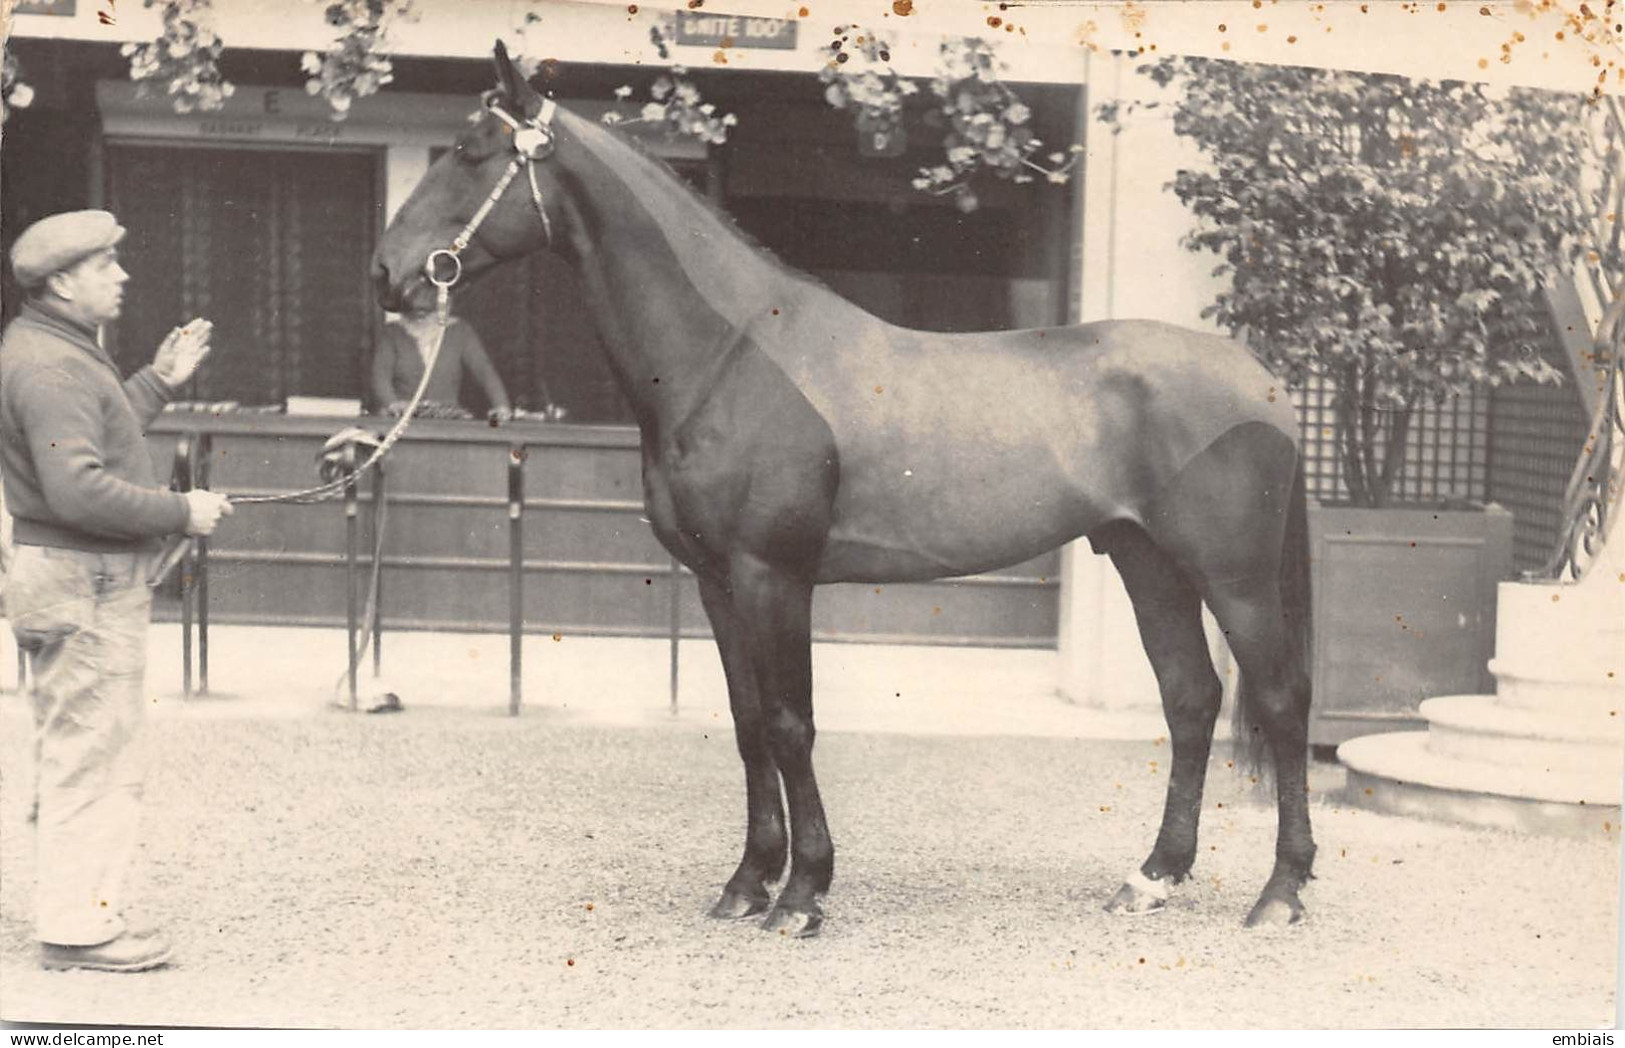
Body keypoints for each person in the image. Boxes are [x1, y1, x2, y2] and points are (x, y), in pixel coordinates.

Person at [0, 209, 233, 973]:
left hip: (71, 579)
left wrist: (156, 381)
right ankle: (77, 929)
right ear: (62, 282)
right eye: (106, 264)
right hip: (85, 581)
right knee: (92, 757)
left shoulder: (54, 349)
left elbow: (93, 443)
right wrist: (182, 512)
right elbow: (77, 489)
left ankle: (77, 912)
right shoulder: (55, 365)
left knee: (79, 748)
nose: (122, 275)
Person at [371, 305, 511, 420]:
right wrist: (392, 403)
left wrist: (501, 405)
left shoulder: (460, 330)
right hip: (402, 419)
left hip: (448, 418)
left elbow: (484, 370)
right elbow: (380, 376)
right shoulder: (392, 333)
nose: (422, 313)